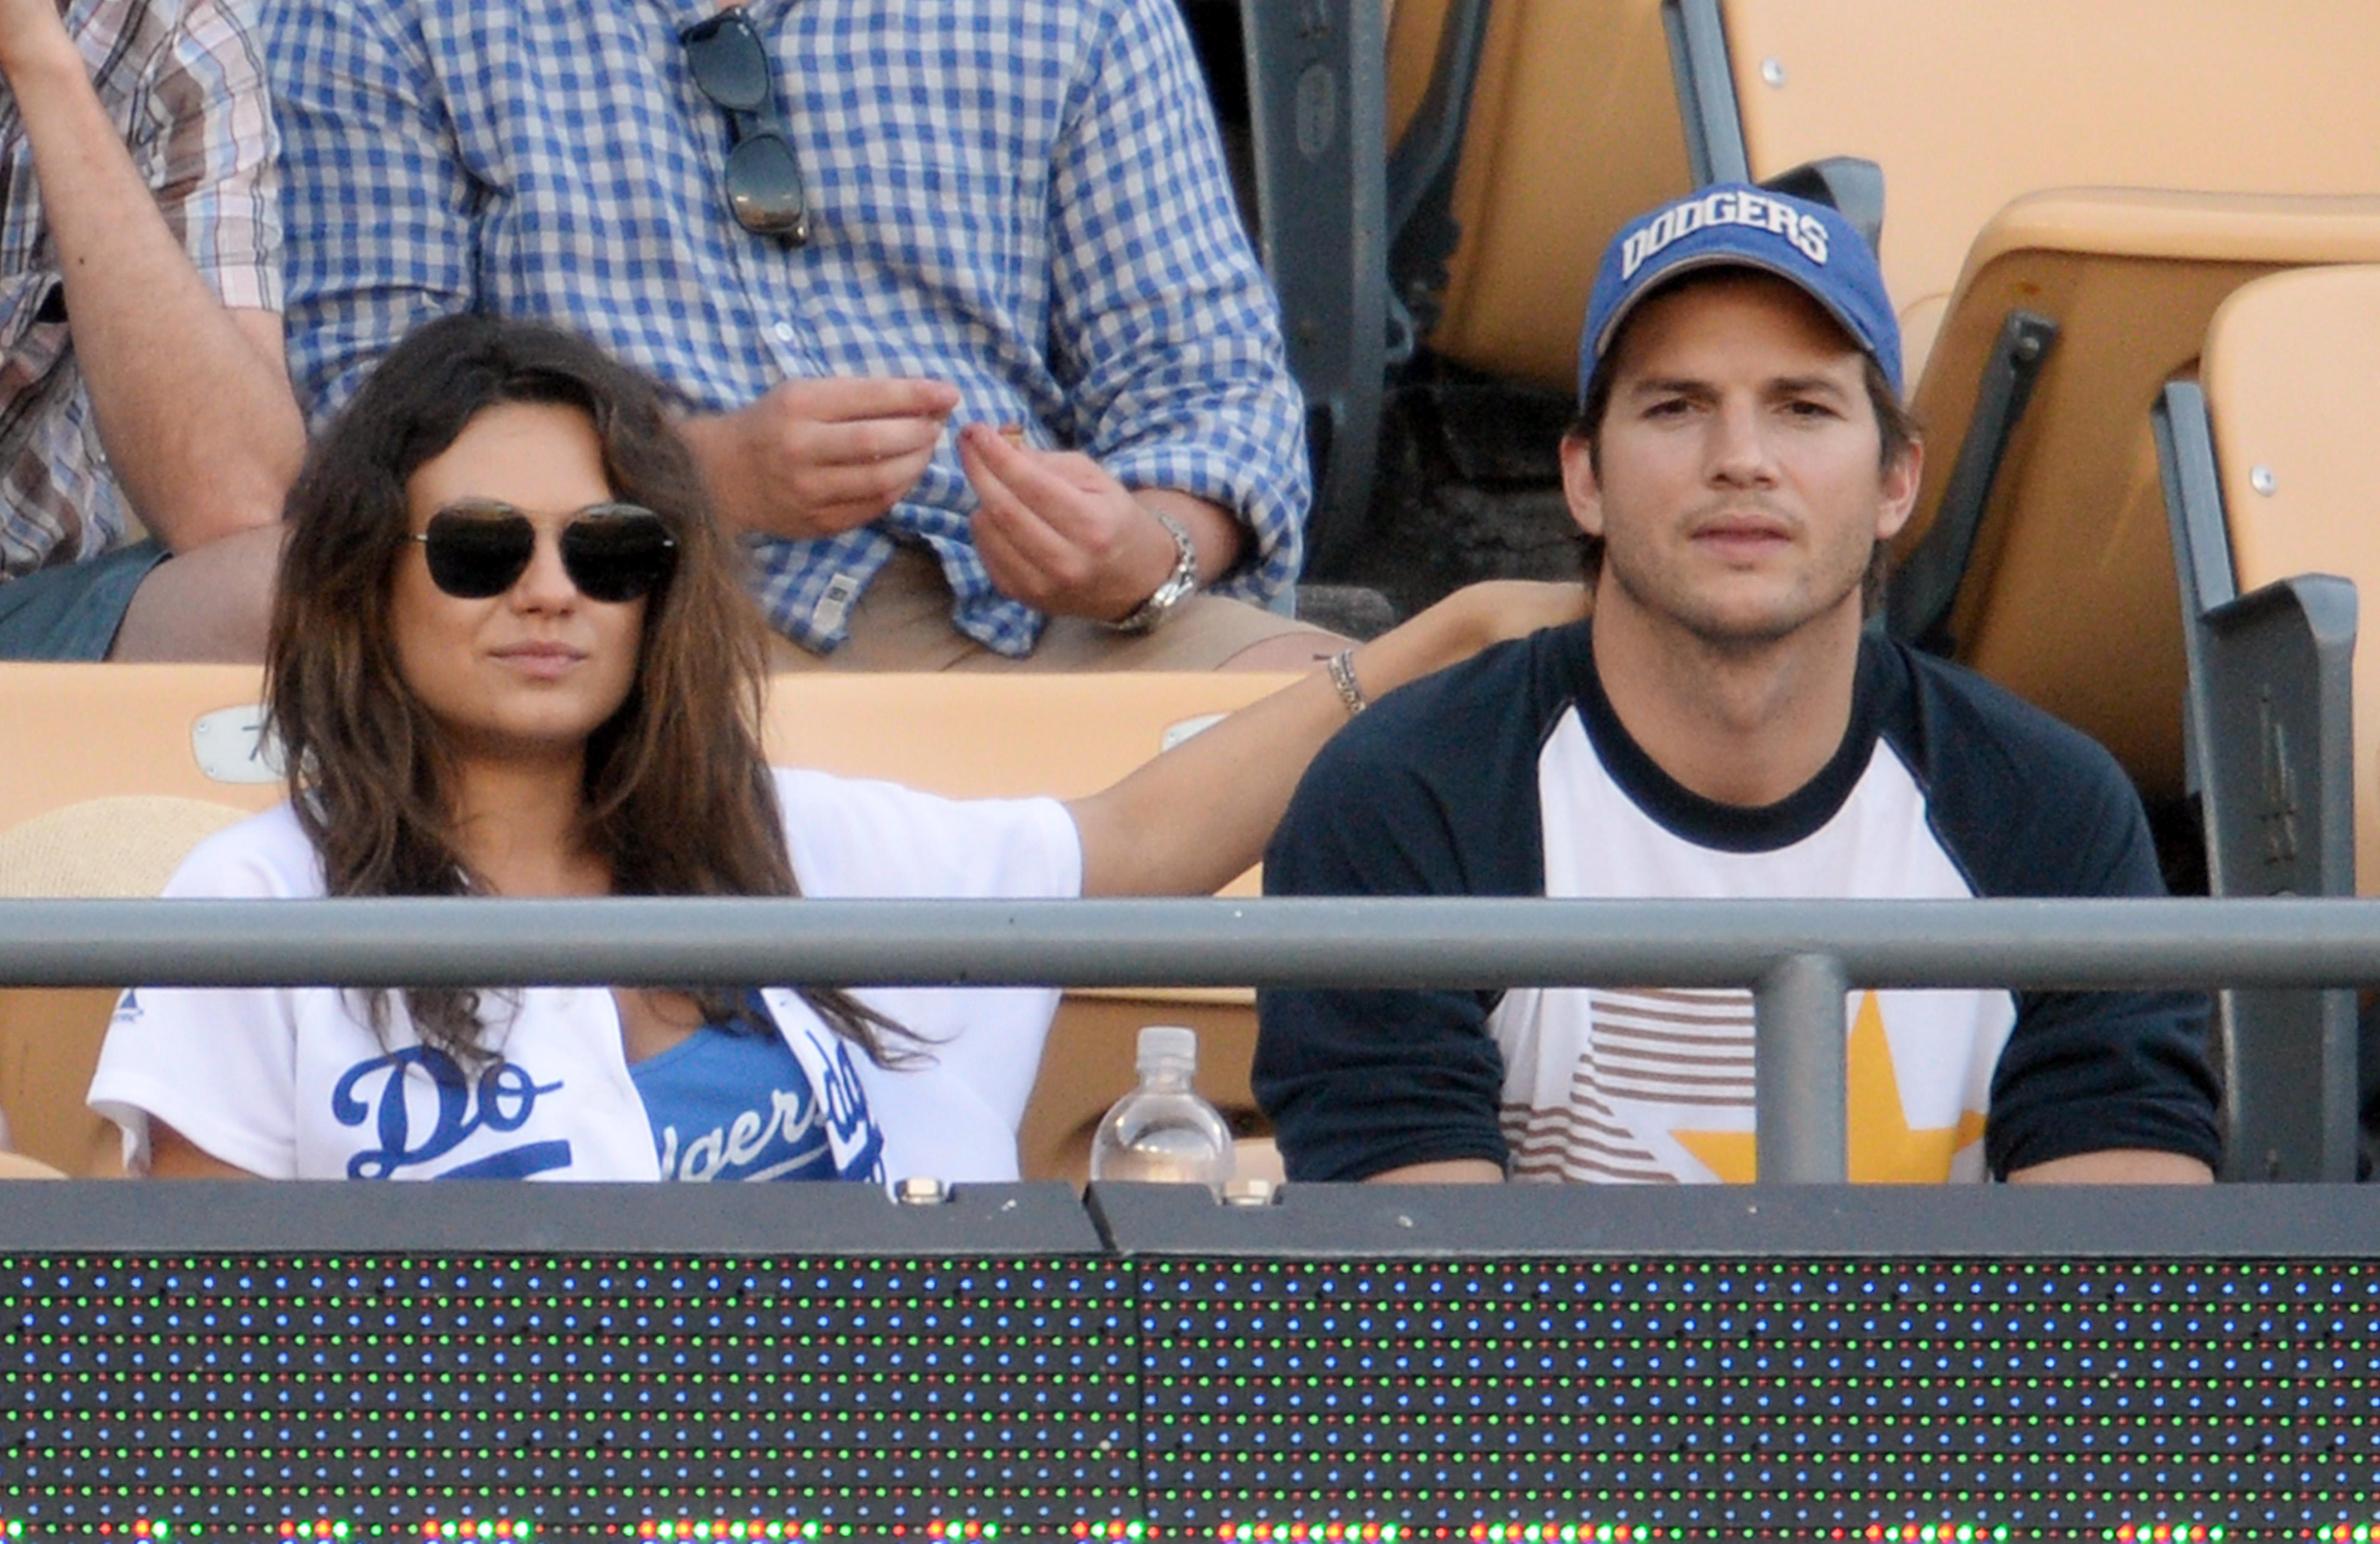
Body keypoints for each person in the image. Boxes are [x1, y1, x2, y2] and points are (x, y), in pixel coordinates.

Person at [85, 314, 1577, 1184]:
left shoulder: (784, 836)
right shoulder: (262, 906)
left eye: (608, 547)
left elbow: (1132, 846)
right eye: (480, 549)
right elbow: (218, 1355)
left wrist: (1429, 646)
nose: (551, 590)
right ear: (366, 580)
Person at [1252, 185, 2223, 1187]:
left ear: (1898, 480)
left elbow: (2119, 1303)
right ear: (1584, 478)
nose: (1743, 461)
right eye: (1677, 407)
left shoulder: (2047, 807)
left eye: (1803, 408)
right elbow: (1428, 1315)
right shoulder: (1406, 797)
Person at [263, 0, 1333, 674]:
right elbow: (368, 415)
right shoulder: (378, 18)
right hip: (626, 621)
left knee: (1400, 739)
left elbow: (1216, 392)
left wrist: (1143, 551)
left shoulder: (1076, 17)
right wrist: (690, 475)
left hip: (1052, 622)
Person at [0, 0, 302, 661]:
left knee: (284, 592)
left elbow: (238, 502)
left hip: (22, 602)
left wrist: (39, 62)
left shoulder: (182, 33)